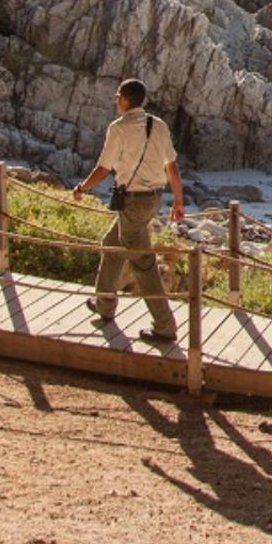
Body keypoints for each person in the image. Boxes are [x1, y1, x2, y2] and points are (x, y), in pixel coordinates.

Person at [72, 77, 183, 345]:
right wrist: (178, 201)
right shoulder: (159, 125)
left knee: (143, 264)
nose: (115, 101)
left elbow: (103, 168)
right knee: (111, 244)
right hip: (154, 199)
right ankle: (104, 303)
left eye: (117, 97)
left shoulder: (118, 128)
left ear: (123, 99)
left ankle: (165, 327)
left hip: (132, 201)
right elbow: (172, 167)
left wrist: (82, 188)